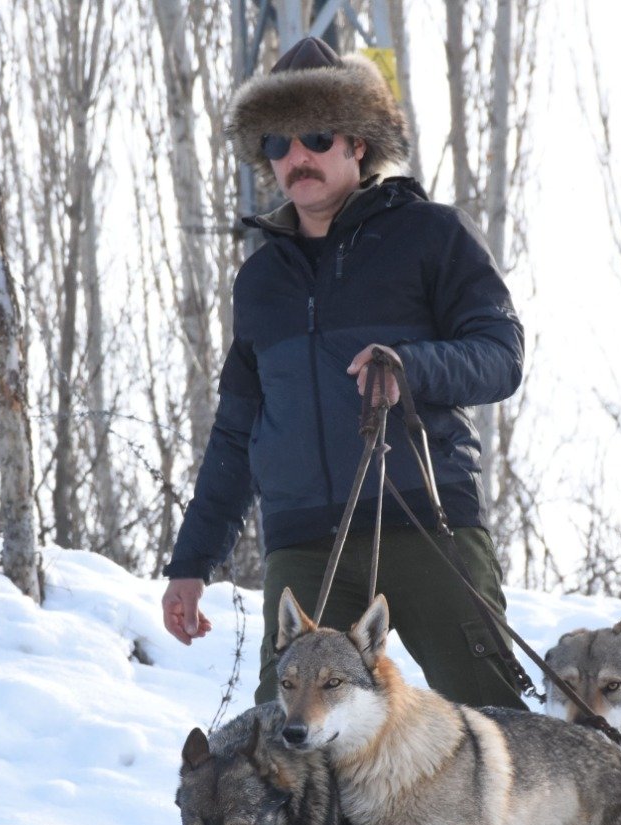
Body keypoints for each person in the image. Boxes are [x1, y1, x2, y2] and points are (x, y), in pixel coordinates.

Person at [160, 36, 526, 710]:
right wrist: (191, 565)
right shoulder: (260, 280)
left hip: (425, 521)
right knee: (290, 755)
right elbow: (238, 431)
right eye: (277, 142)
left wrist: (411, 366)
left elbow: (500, 357)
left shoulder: (432, 235)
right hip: (305, 546)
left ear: (358, 142)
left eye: (317, 135)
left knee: (493, 725)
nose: (297, 157)